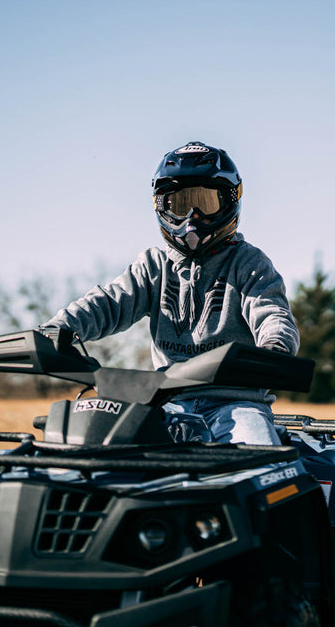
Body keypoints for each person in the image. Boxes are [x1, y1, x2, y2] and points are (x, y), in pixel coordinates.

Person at [42, 141, 299, 445]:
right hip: (162, 404)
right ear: (161, 206)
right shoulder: (153, 265)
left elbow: (272, 312)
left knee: (258, 457)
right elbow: (108, 303)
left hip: (235, 403)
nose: (193, 217)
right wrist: (58, 330)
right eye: (180, 204)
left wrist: (275, 346)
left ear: (231, 200)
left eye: (205, 202)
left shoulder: (248, 263)